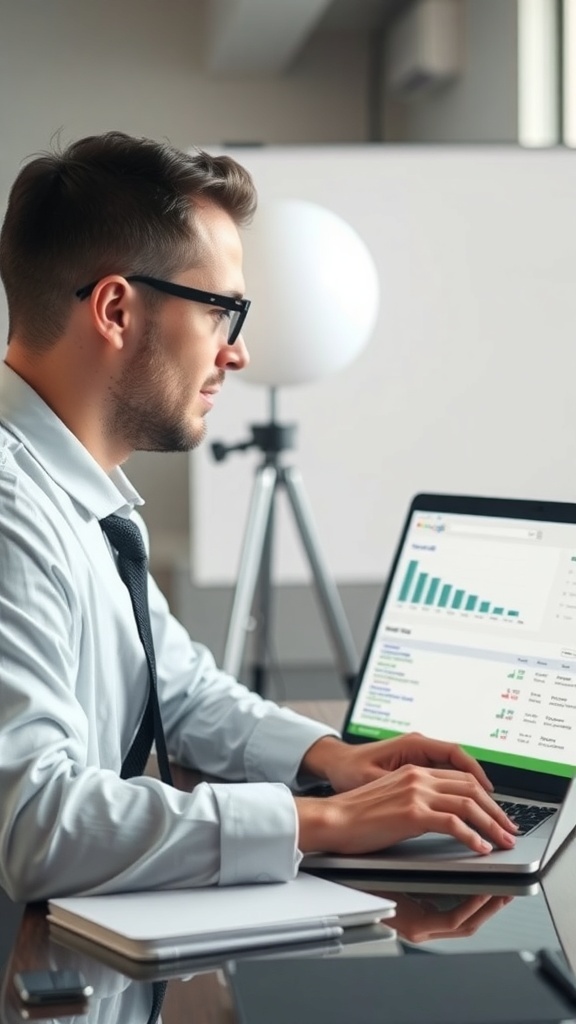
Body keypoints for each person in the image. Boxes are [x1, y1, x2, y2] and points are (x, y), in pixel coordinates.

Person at [0, 132, 517, 902]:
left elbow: (177, 688)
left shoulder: (87, 500)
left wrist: (330, 758)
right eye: (222, 312)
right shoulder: (13, 516)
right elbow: (37, 827)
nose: (236, 353)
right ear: (115, 309)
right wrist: (322, 823)